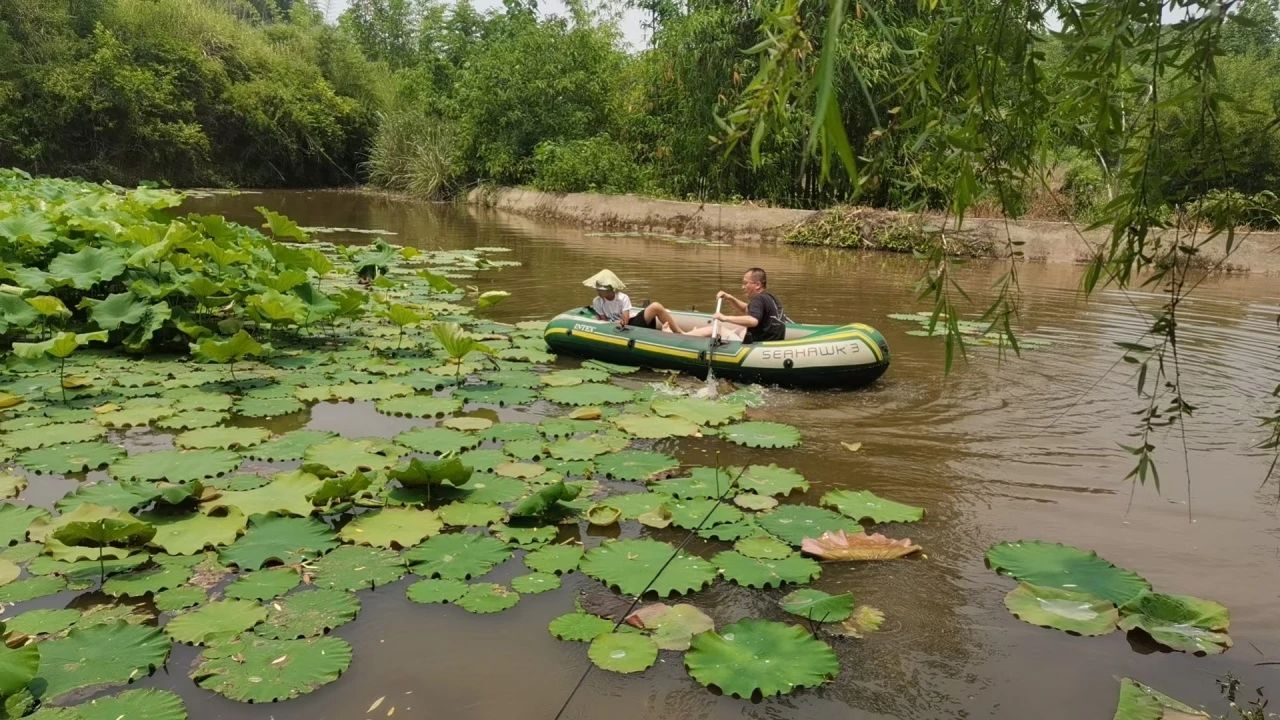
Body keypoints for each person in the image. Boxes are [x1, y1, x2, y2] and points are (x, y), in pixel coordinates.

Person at [687, 267, 789, 343]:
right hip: (772, 343)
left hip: (760, 345)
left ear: (757, 285)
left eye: (746, 283)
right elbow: (747, 309)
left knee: (719, 328)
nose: (743, 287)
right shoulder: (770, 297)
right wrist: (730, 298)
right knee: (739, 328)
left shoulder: (758, 299)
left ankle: (682, 336)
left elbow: (753, 321)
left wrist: (725, 317)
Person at [582, 269, 687, 333]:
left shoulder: (623, 298)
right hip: (613, 328)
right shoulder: (597, 301)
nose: (598, 291)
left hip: (631, 325)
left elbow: (625, 321)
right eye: (598, 289)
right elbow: (603, 320)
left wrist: (617, 322)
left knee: (655, 306)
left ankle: (679, 332)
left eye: (601, 290)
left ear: (610, 290)